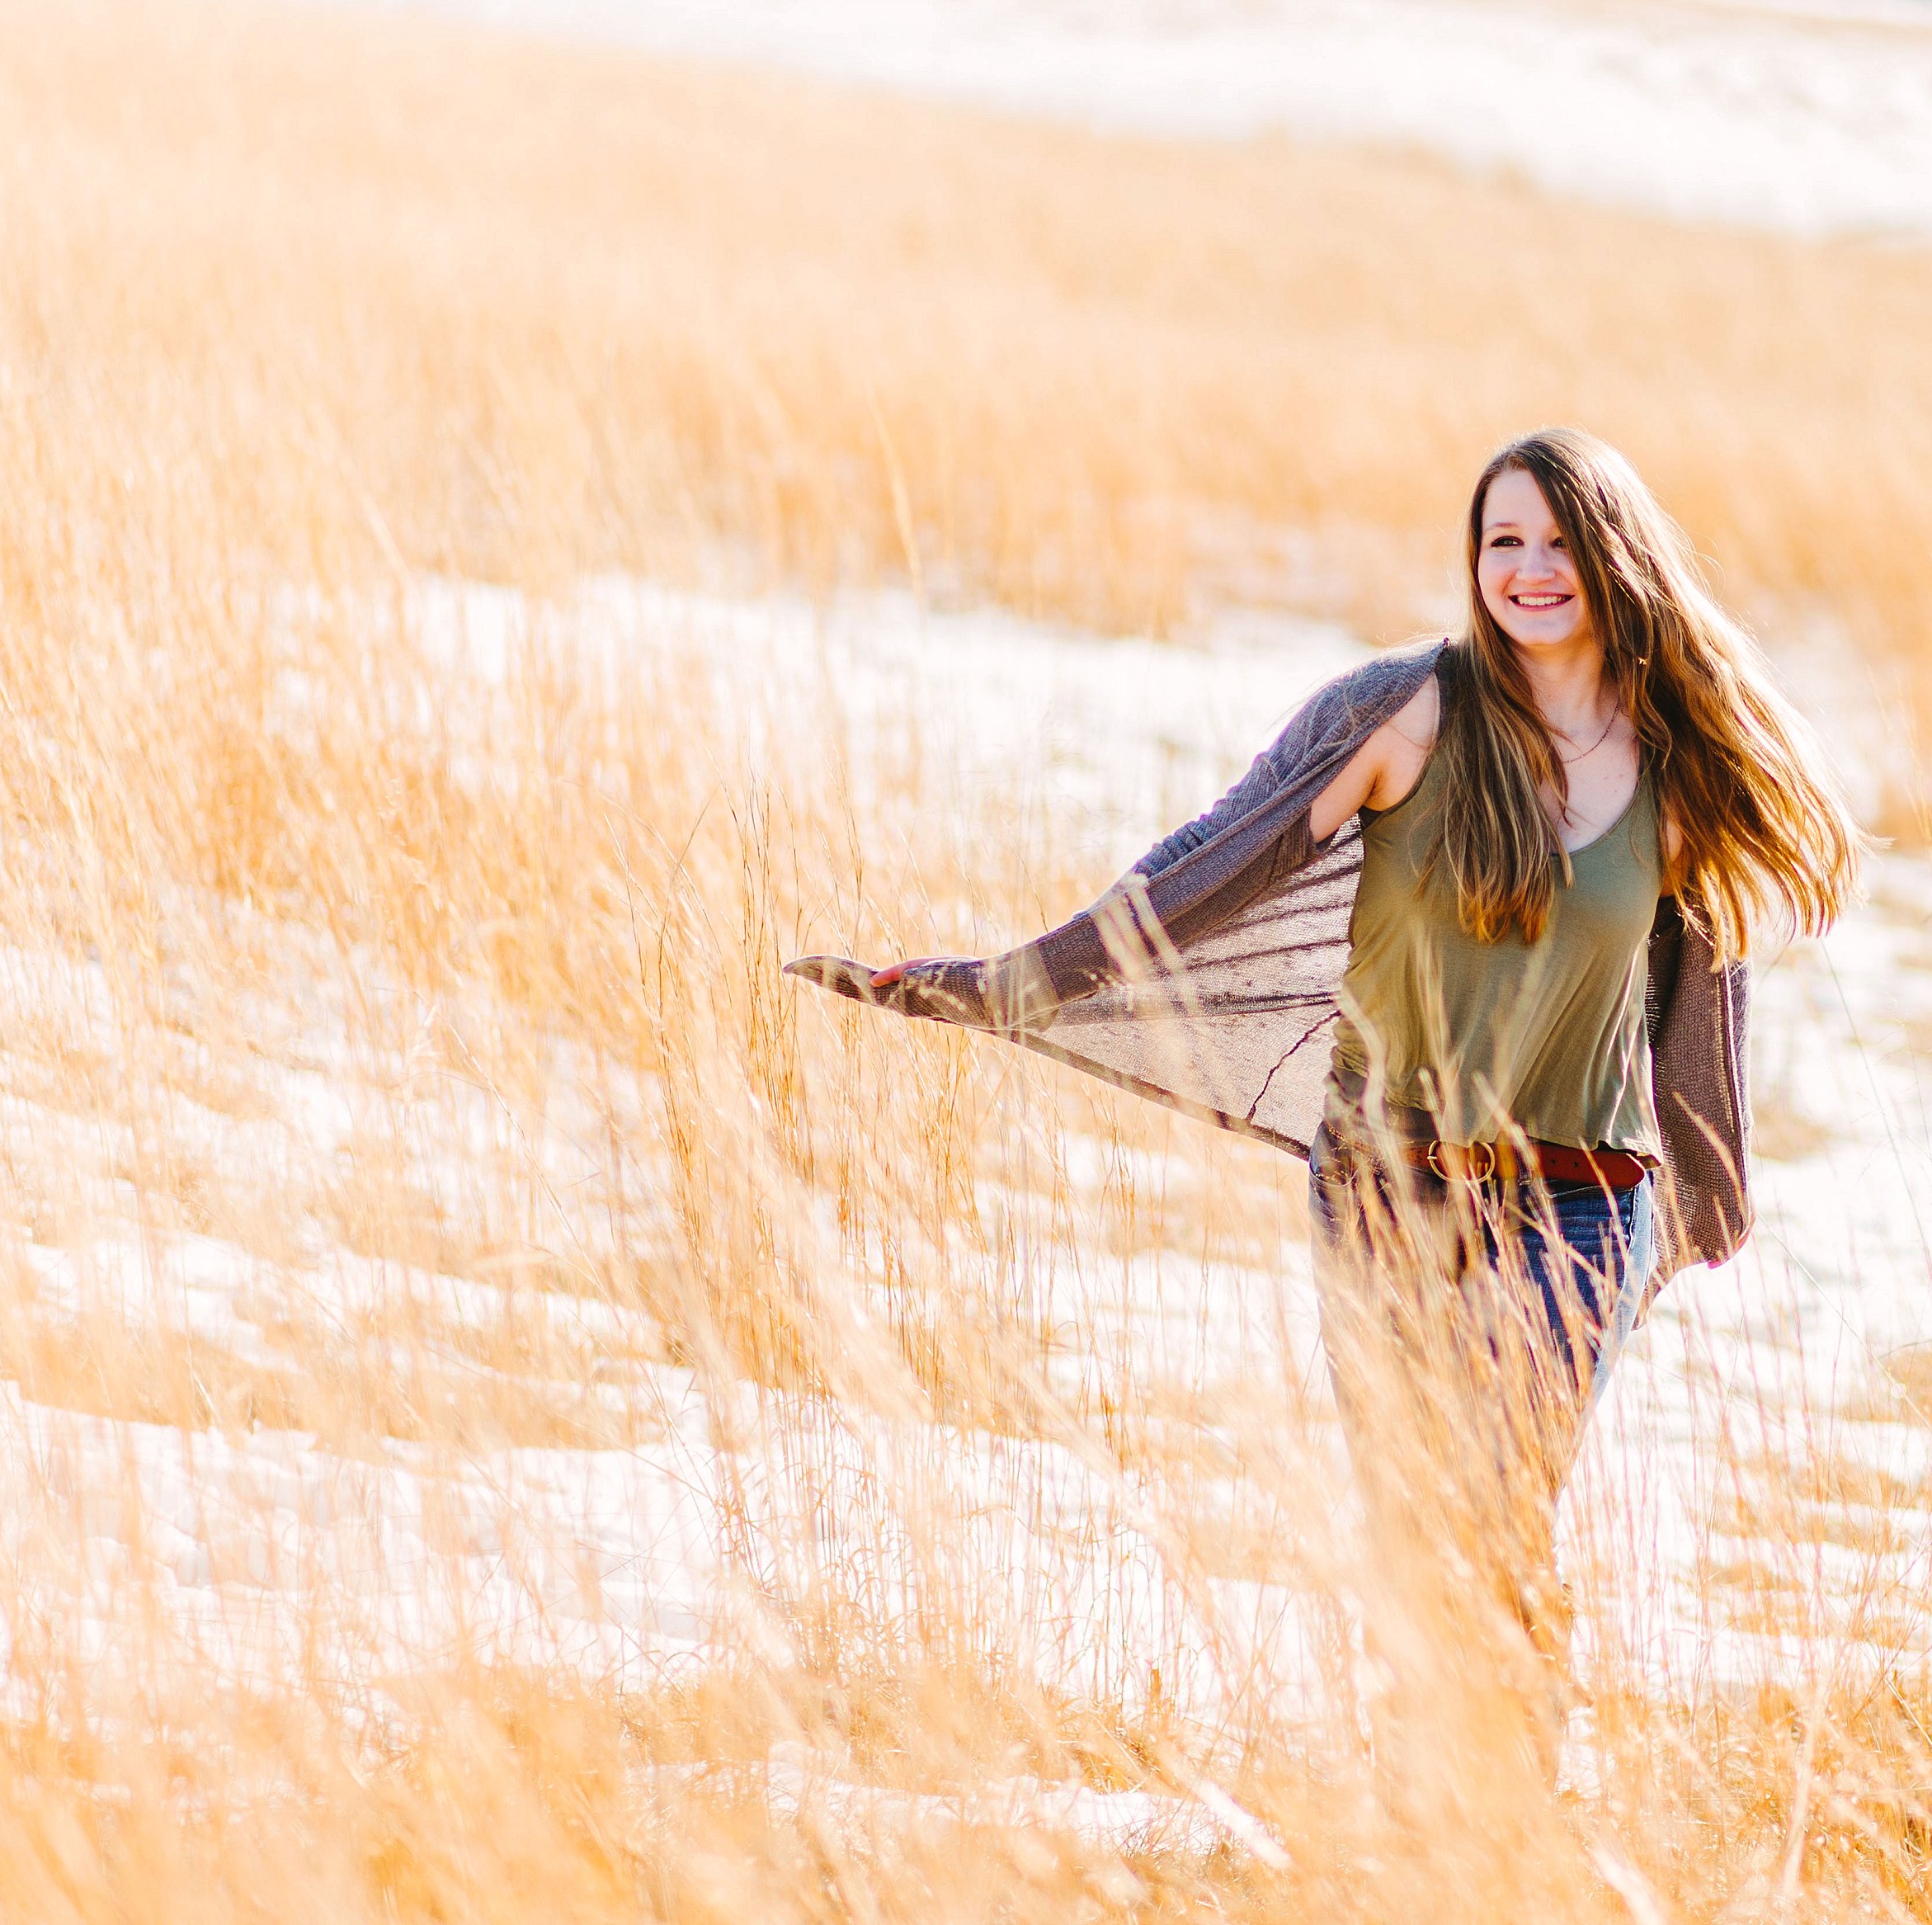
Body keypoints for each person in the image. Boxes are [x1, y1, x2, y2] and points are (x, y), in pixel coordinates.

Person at [789, 426, 1862, 1748]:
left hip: (1579, 1199)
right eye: (1500, 541)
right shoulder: (1406, 714)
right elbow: (1210, 862)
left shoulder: (1669, 770)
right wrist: (1003, 982)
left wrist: (1702, 1198)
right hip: (1385, 1182)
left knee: (1494, 1489)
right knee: (1417, 1521)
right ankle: (1461, 1799)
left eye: (1556, 542)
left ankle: (1520, 1775)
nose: (1526, 570)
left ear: (1613, 558)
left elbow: (1696, 1015)